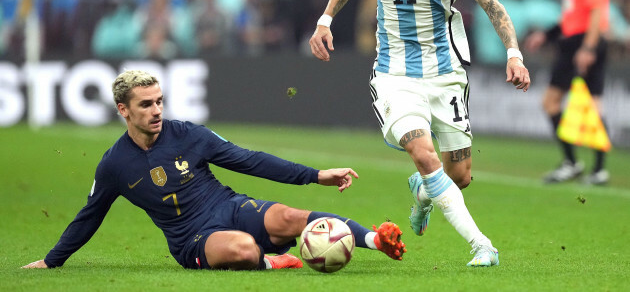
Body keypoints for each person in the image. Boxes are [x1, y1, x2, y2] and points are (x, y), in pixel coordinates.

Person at [309, 0, 530, 267]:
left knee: (458, 175)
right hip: (395, 76)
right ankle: (483, 246)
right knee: (424, 155)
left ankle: (423, 194)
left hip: (445, 74)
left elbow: (490, 4)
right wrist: (325, 20)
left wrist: (514, 54)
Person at [22, 70, 406, 271]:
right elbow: (91, 214)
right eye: (145, 105)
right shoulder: (114, 165)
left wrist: (315, 174)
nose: (156, 110)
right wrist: (52, 260)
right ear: (123, 110)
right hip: (193, 238)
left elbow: (251, 160)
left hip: (230, 207)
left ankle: (375, 240)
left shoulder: (189, 135)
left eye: (159, 101)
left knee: (292, 217)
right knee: (242, 249)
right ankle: (271, 262)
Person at [525, 0, 610, 185]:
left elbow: (597, 12)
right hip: (576, 42)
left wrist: (588, 48)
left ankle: (586, 167)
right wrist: (547, 35)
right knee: (569, 103)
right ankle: (583, 166)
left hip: (584, 44)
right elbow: (574, 16)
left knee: (581, 106)